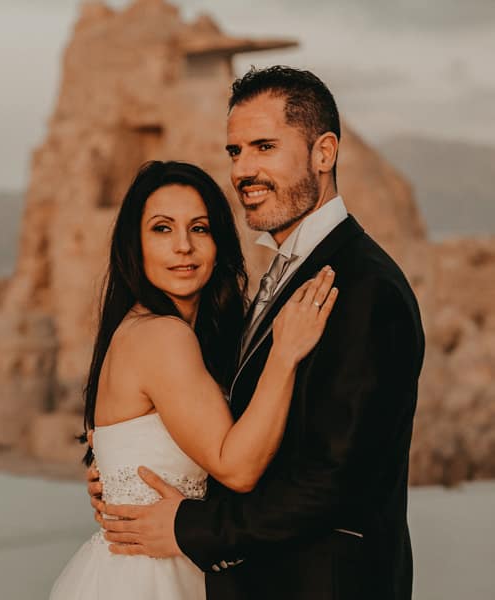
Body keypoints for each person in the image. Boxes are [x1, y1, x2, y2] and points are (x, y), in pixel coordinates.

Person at [90, 66, 425, 600]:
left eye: (264, 147)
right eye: (235, 152)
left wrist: (184, 526)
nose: (244, 169)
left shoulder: (364, 287)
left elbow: (332, 482)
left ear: (324, 153)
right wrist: (122, 470)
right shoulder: (275, 281)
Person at [49, 160, 338, 600]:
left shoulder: (172, 335)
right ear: (134, 246)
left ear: (219, 242)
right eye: (162, 229)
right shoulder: (161, 336)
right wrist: (285, 352)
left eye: (199, 228)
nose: (183, 246)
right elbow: (237, 468)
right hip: (150, 580)